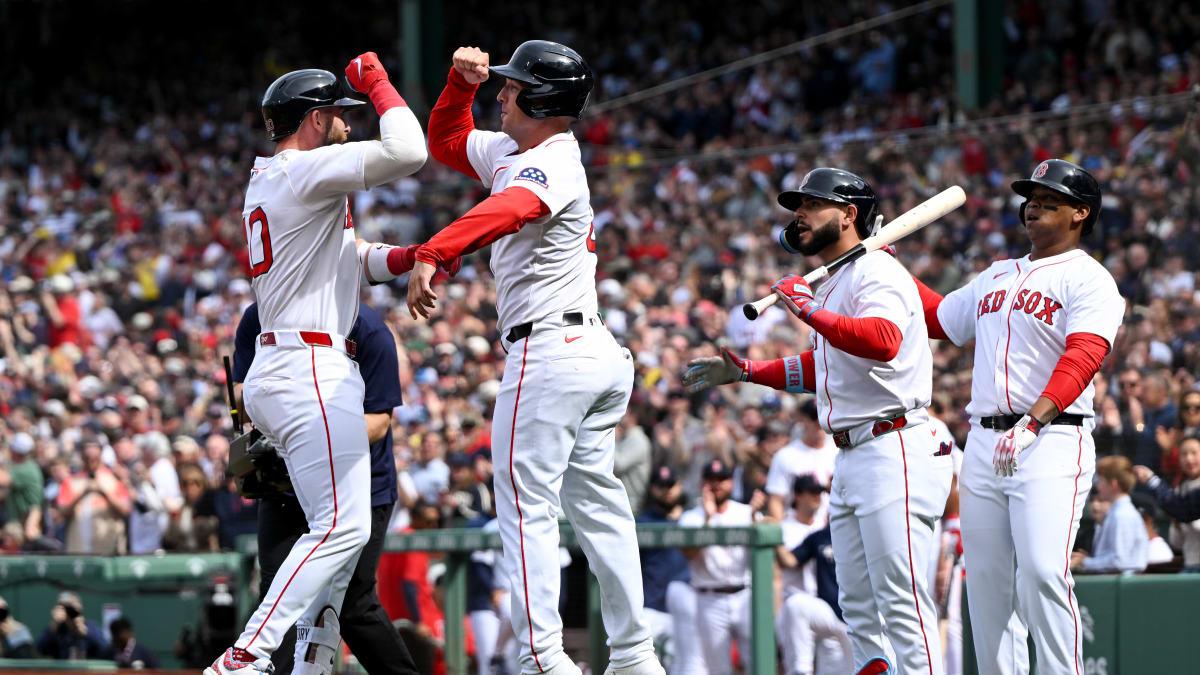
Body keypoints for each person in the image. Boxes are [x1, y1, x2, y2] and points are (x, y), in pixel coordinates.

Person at [410, 41, 662, 675]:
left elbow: (510, 208)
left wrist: (436, 250)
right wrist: (459, 85)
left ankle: (542, 659)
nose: (503, 93)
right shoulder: (516, 151)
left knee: (526, 509)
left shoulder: (551, 162)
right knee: (598, 506)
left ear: (543, 100)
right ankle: (634, 657)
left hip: (550, 351)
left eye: (512, 87)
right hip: (588, 350)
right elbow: (446, 142)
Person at [207, 51, 429, 675]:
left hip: (289, 363)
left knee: (338, 538)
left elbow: (353, 258)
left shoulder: (277, 180)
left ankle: (303, 664)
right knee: (340, 531)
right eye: (337, 112)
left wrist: (418, 255)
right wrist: (380, 83)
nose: (348, 123)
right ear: (312, 119)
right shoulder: (302, 172)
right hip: (308, 365)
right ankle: (246, 657)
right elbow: (409, 151)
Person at [685, 168, 951, 674]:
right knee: (856, 607)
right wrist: (748, 371)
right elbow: (826, 366)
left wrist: (806, 311)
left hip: (895, 442)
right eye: (797, 206)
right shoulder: (837, 281)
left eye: (813, 204)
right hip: (854, 451)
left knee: (902, 602)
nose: (799, 214)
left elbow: (882, 339)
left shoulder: (877, 270)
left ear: (850, 215)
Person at [915, 159, 1123, 674]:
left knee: (1042, 572)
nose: (1033, 206)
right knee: (985, 582)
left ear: (1081, 212)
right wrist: (887, 270)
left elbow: (1084, 355)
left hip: (1052, 435)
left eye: (1049, 200)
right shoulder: (998, 273)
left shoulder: (1090, 279)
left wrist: (1034, 420)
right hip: (984, 440)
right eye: (1031, 197)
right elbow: (940, 319)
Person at [232, 301, 418, 675]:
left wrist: (309, 439)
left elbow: (379, 421)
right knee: (278, 593)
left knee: (353, 604)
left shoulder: (367, 328)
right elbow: (239, 395)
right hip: (283, 485)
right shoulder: (259, 315)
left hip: (359, 484)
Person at [679, 460, 753, 675]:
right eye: (712, 480)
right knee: (718, 669)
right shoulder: (691, 517)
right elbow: (689, 552)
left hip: (744, 594)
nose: (717, 485)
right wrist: (708, 519)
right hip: (709, 598)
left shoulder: (745, 512)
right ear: (703, 483)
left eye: (722, 480)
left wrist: (759, 515)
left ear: (731, 482)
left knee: (757, 663)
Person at [774, 475, 851, 675]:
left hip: (858, 619)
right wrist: (773, 535)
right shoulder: (820, 536)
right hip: (829, 612)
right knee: (796, 604)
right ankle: (800, 669)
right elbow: (790, 561)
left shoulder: (862, 532)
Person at [636, 466, 700, 674]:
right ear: (653, 489)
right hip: (652, 608)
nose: (667, 490)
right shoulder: (642, 522)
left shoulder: (693, 519)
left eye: (671, 485)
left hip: (687, 609)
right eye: (661, 486)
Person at [763, 399, 835, 522]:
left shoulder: (839, 452)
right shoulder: (785, 456)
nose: (818, 423)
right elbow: (776, 500)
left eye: (822, 417)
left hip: (831, 529)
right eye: (813, 417)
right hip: (795, 529)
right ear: (803, 420)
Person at [1072, 457, 1148, 573]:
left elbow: (1119, 561)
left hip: (1123, 586)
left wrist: (1084, 562)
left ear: (1113, 484)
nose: (1098, 486)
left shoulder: (1122, 515)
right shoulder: (1116, 512)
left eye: (1101, 481)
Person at [36, 592, 108, 660]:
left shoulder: (90, 626)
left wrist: (85, 633)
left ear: (80, 607)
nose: (70, 611)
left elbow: (104, 650)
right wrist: (54, 626)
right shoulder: (57, 629)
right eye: (66, 608)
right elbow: (40, 650)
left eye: (72, 607)